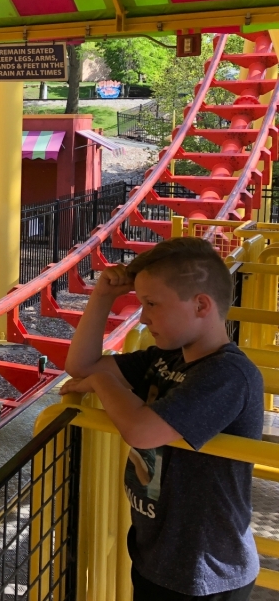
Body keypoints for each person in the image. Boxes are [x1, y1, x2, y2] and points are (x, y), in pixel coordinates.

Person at [60, 237, 263, 601]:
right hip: (157, 553)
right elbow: (80, 365)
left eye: (152, 304)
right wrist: (103, 297)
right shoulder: (165, 359)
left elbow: (142, 430)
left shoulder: (229, 375)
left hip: (205, 571)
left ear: (201, 305)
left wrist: (103, 382)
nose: (143, 316)